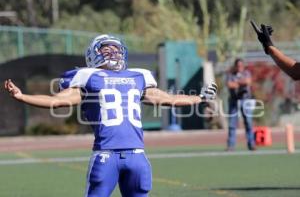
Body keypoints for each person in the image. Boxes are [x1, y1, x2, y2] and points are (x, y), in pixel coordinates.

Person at [4, 34, 217, 197]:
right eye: (107, 49)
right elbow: (57, 101)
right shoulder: (113, 76)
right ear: (95, 54)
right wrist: (23, 97)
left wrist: (198, 98)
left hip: (122, 156)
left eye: (115, 48)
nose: (113, 52)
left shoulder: (125, 76)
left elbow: (168, 99)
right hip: (123, 156)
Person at [226, 58, 256, 151]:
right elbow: (230, 84)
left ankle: (251, 144)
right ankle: (231, 145)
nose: (239, 67)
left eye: (241, 66)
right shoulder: (231, 74)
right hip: (234, 100)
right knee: (232, 124)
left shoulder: (246, 73)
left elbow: (248, 81)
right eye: (238, 66)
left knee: (248, 122)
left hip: (245, 100)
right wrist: (240, 83)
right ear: (235, 66)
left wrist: (237, 82)